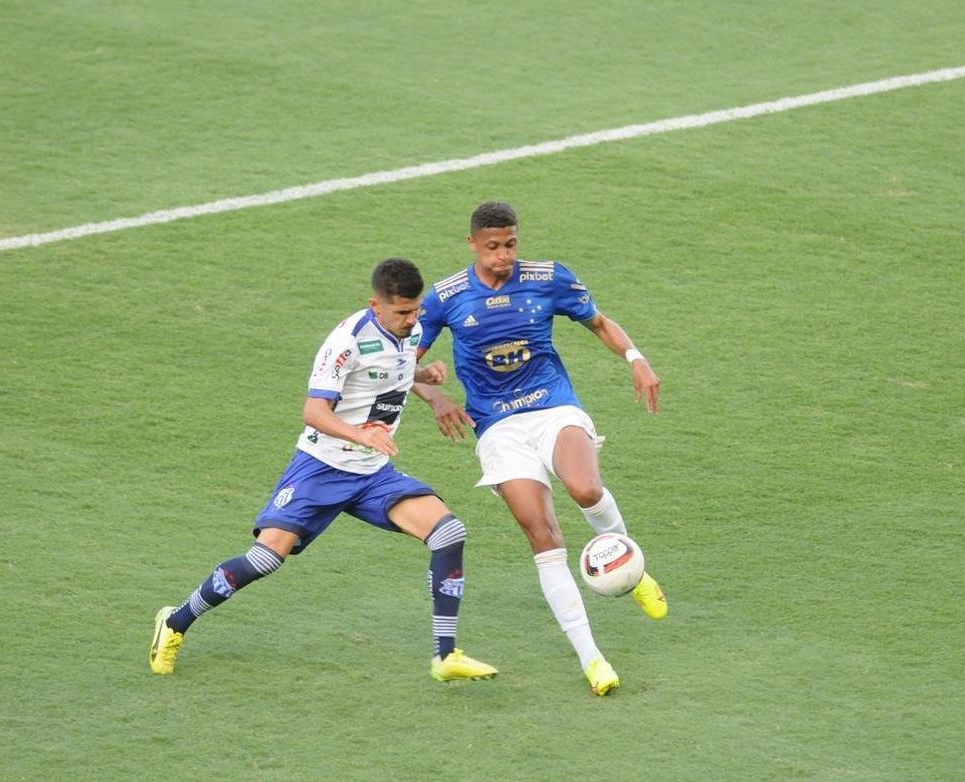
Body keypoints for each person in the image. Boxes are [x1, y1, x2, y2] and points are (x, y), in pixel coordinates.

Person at [149, 258, 497, 683]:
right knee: (264, 559)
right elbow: (313, 411)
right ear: (375, 305)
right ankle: (175, 622)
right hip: (321, 468)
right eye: (402, 312)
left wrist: (429, 385)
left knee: (449, 533)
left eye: (416, 310)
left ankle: (446, 657)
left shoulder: (413, 331)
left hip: (372, 474)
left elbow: (396, 371)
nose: (412, 320)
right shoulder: (346, 342)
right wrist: (362, 435)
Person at [411, 201, 666, 696]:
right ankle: (593, 661)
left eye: (510, 245)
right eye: (492, 247)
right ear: (471, 245)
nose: (503, 256)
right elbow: (402, 362)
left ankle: (633, 572)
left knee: (586, 487)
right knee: (544, 536)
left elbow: (598, 322)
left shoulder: (548, 278)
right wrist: (435, 395)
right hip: (499, 431)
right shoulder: (447, 297)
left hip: (553, 409)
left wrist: (636, 358)